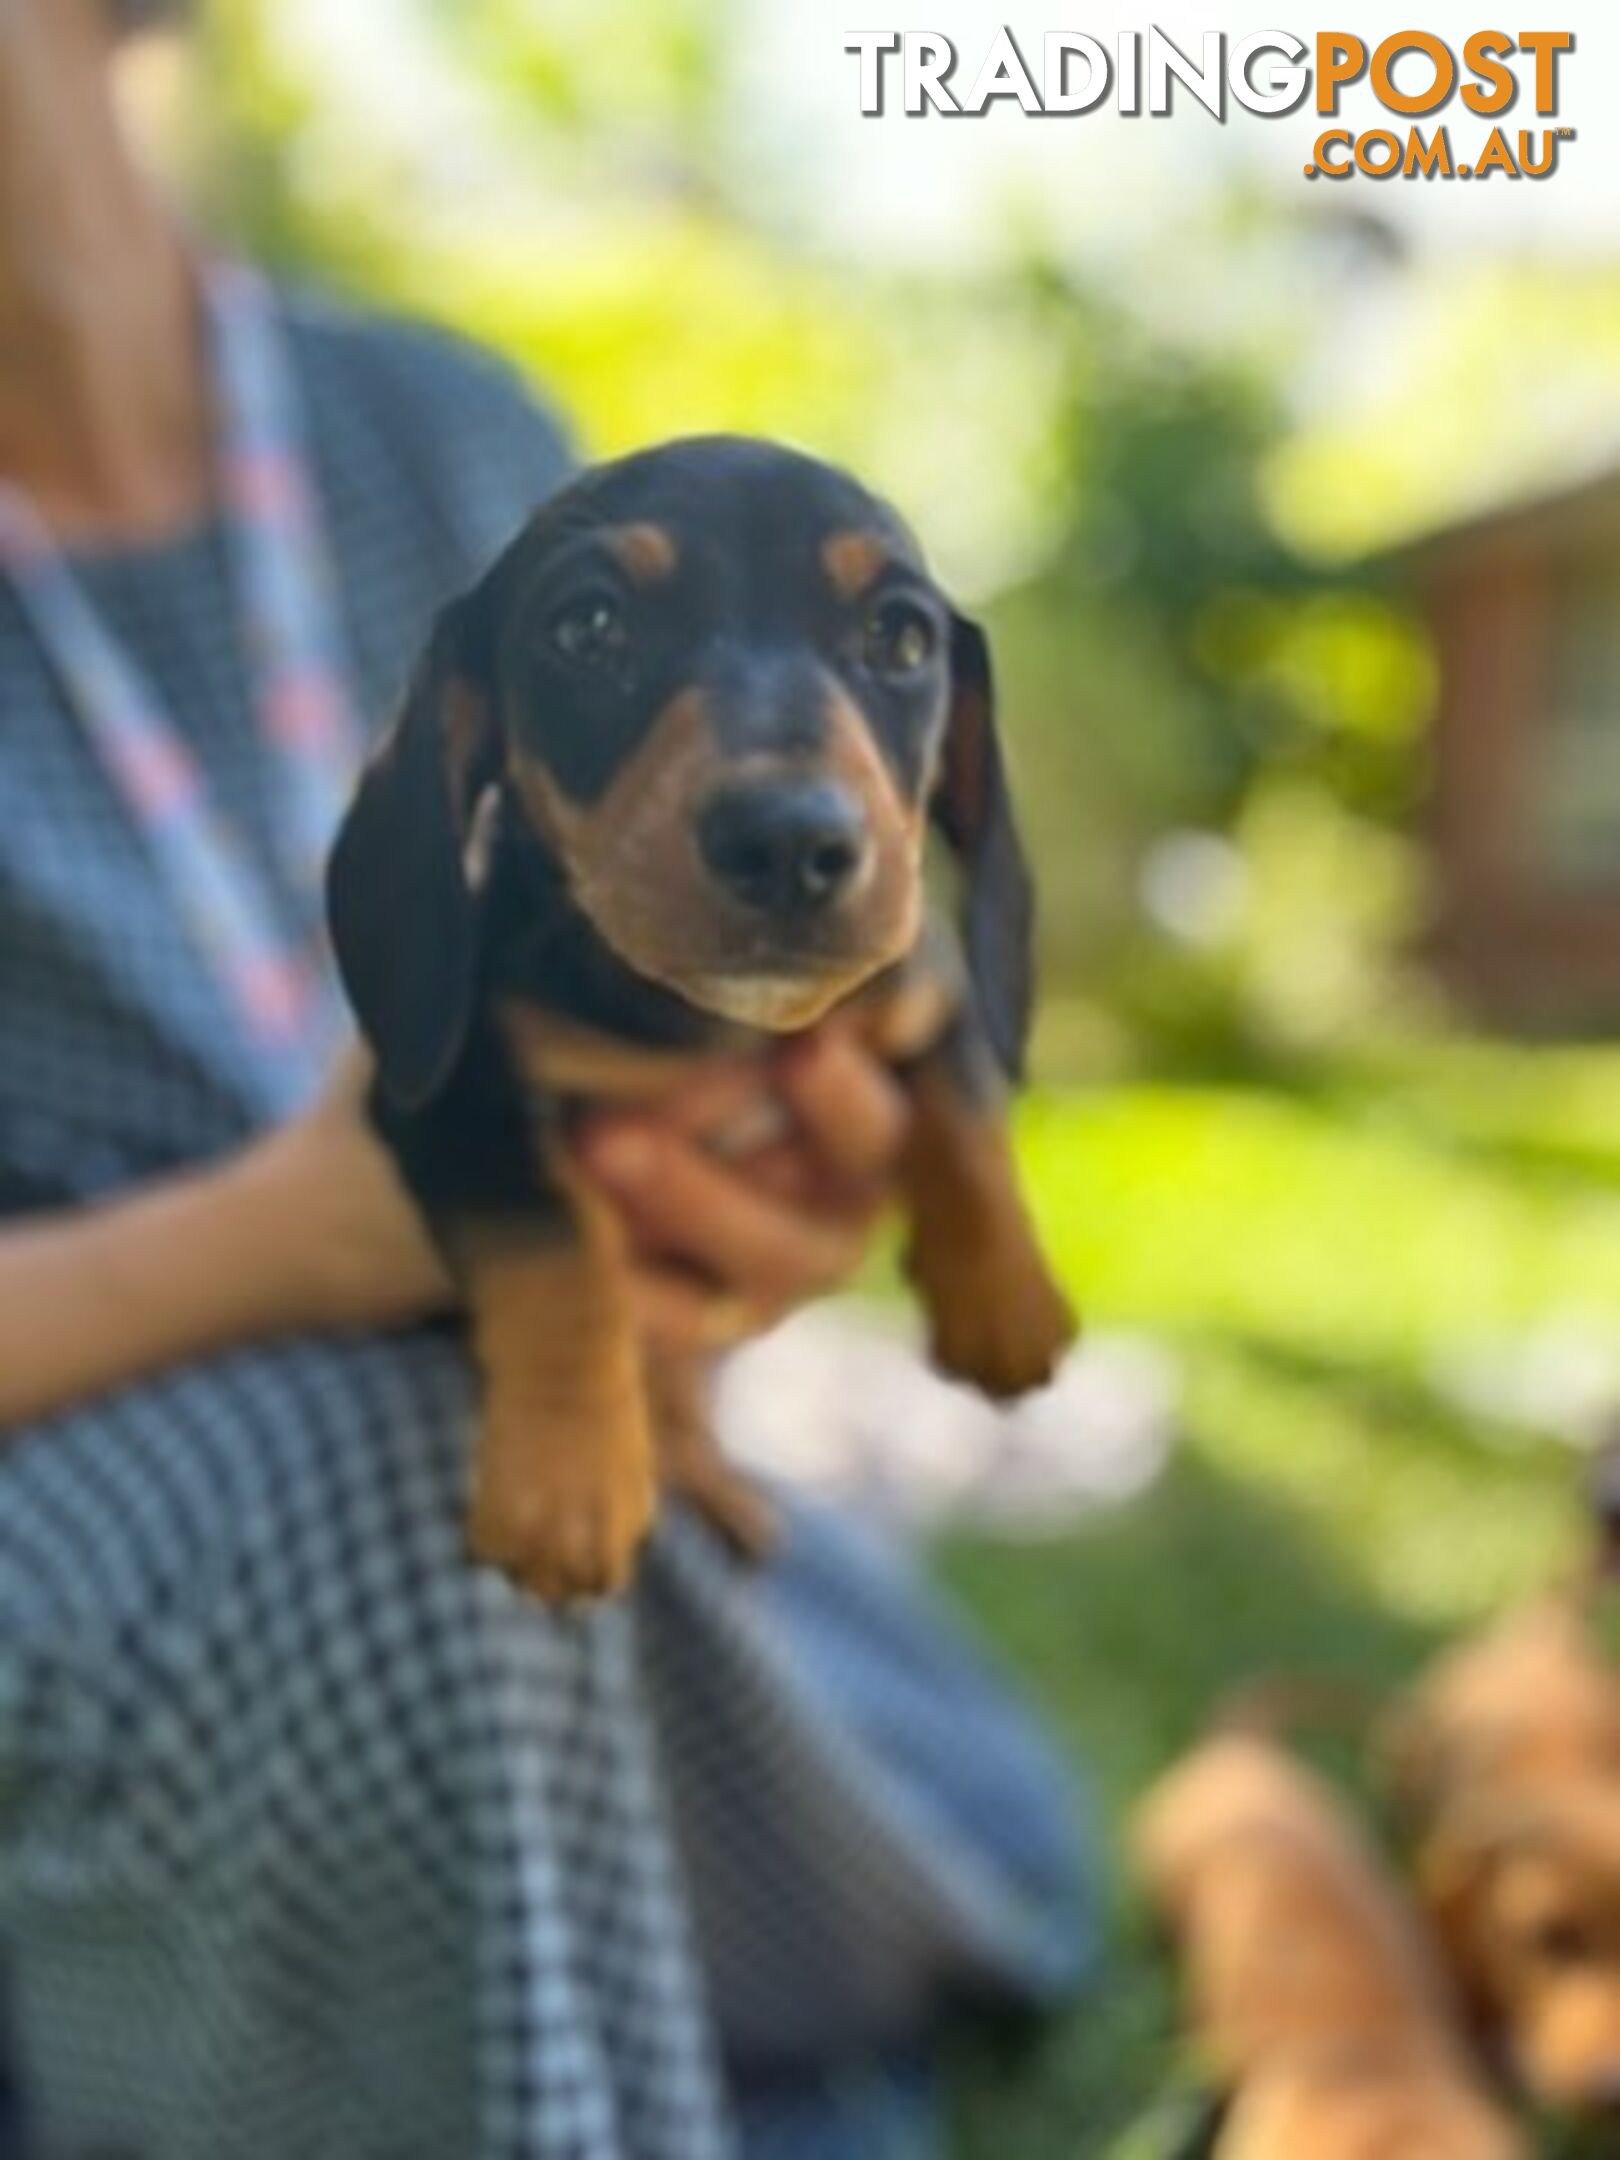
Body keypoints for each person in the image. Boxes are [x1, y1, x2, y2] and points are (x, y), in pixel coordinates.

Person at [0, 3, 1091, 2154]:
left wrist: (768, 1218)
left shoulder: (442, 436)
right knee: (407, 1497)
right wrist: (291, 1238)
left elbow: (783, 969)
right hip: (105, 1481)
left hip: (566, 1428)